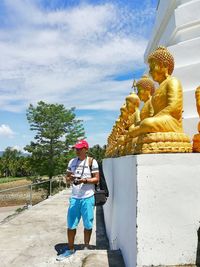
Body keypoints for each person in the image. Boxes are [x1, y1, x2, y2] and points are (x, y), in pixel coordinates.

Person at [56, 140, 99, 261]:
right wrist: (72, 178)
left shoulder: (92, 162)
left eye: (80, 148)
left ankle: (86, 247)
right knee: (71, 225)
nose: (77, 150)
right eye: (76, 148)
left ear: (86, 149)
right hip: (75, 198)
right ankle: (70, 249)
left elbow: (96, 179)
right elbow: (67, 177)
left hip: (88, 197)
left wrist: (84, 180)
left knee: (88, 225)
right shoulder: (72, 162)